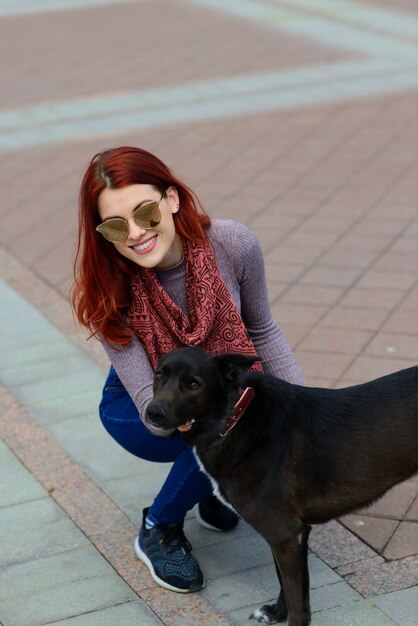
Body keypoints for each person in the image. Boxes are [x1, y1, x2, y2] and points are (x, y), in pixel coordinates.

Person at [71, 146, 305, 594]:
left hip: (213, 383)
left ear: (172, 199)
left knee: (253, 412)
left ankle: (212, 490)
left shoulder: (232, 244)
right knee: (228, 426)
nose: (136, 234)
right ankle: (159, 526)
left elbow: (262, 330)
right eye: (117, 225)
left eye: (147, 213)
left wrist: (304, 412)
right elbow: (149, 403)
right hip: (141, 401)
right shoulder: (109, 285)